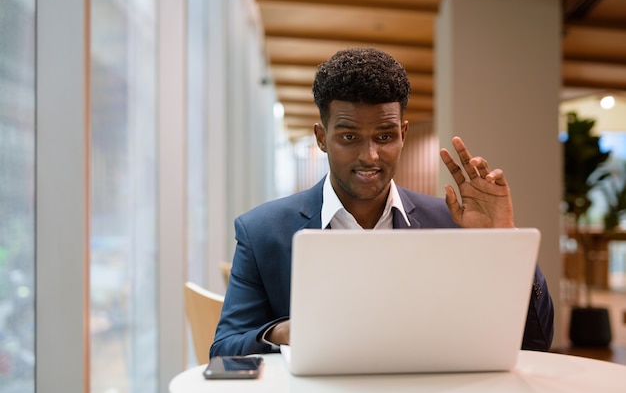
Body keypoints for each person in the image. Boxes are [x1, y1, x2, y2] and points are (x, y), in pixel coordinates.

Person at [210, 47, 554, 358]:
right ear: (321, 138)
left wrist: (505, 242)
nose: (370, 156)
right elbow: (225, 349)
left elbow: (536, 343)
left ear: (403, 134)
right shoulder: (262, 231)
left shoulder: (450, 222)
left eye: (385, 137)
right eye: (349, 137)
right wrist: (284, 332)